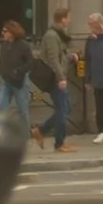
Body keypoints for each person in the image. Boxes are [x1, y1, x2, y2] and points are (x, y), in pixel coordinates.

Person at [34, 9, 75, 148]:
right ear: (63, 19)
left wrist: (71, 57)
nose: (70, 20)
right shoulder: (52, 35)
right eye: (68, 18)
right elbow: (53, 58)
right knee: (63, 109)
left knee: (65, 108)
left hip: (58, 76)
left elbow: (60, 56)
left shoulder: (58, 35)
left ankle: (41, 130)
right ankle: (59, 142)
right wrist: (61, 77)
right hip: (55, 77)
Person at [0, 15, 34, 138]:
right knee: (1, 106)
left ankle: (26, 136)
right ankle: (1, 134)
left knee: (23, 110)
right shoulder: (4, 45)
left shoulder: (23, 45)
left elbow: (30, 62)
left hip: (19, 81)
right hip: (6, 81)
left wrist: (19, 71)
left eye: (5, 31)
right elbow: (3, 60)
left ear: (12, 32)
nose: (3, 33)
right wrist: (2, 70)